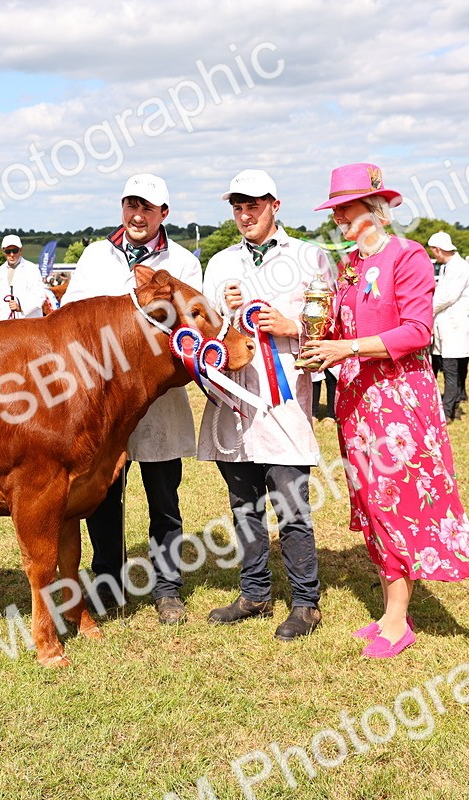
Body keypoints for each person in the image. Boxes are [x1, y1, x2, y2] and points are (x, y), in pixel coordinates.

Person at [301, 162, 469, 658]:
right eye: (336, 211)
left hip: (400, 400)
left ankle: (398, 621)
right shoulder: (349, 267)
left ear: (376, 209)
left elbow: (418, 331)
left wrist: (349, 347)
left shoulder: (409, 255)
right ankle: (388, 611)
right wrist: (310, 332)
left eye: (348, 208)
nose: (340, 219)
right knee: (373, 503)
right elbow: (333, 332)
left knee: (397, 502)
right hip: (356, 401)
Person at [61, 173, 201, 625]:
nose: (137, 215)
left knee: (164, 499)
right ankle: (107, 584)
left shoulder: (182, 261)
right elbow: (73, 319)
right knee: (102, 498)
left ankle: (167, 589)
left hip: (158, 400)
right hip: (103, 403)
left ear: (164, 213)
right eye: (130, 205)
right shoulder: (96, 255)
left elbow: (193, 326)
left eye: (148, 207)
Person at [198, 169, 329, 641]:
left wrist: (290, 325)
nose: (244, 213)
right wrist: (223, 312)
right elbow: (204, 338)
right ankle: (253, 593)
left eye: (253, 204)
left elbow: (330, 327)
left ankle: (306, 603)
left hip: (284, 399)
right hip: (234, 401)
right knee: (242, 505)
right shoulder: (220, 263)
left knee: (291, 504)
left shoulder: (311, 257)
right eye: (237, 205)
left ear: (275, 204)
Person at [428, 231, 469, 422]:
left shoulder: (459, 267)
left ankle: (448, 411)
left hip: (453, 326)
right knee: (441, 368)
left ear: (438, 250)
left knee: (451, 371)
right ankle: (444, 407)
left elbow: (447, 297)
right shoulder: (449, 267)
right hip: (443, 326)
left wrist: (426, 310)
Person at [0, 235, 45, 321]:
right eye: (8, 251)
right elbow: (2, 301)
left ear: (20, 250)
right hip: (7, 324)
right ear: (3, 251)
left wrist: (21, 307)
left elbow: (40, 297)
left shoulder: (32, 269)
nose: (12, 254)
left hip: (29, 324)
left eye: (15, 250)